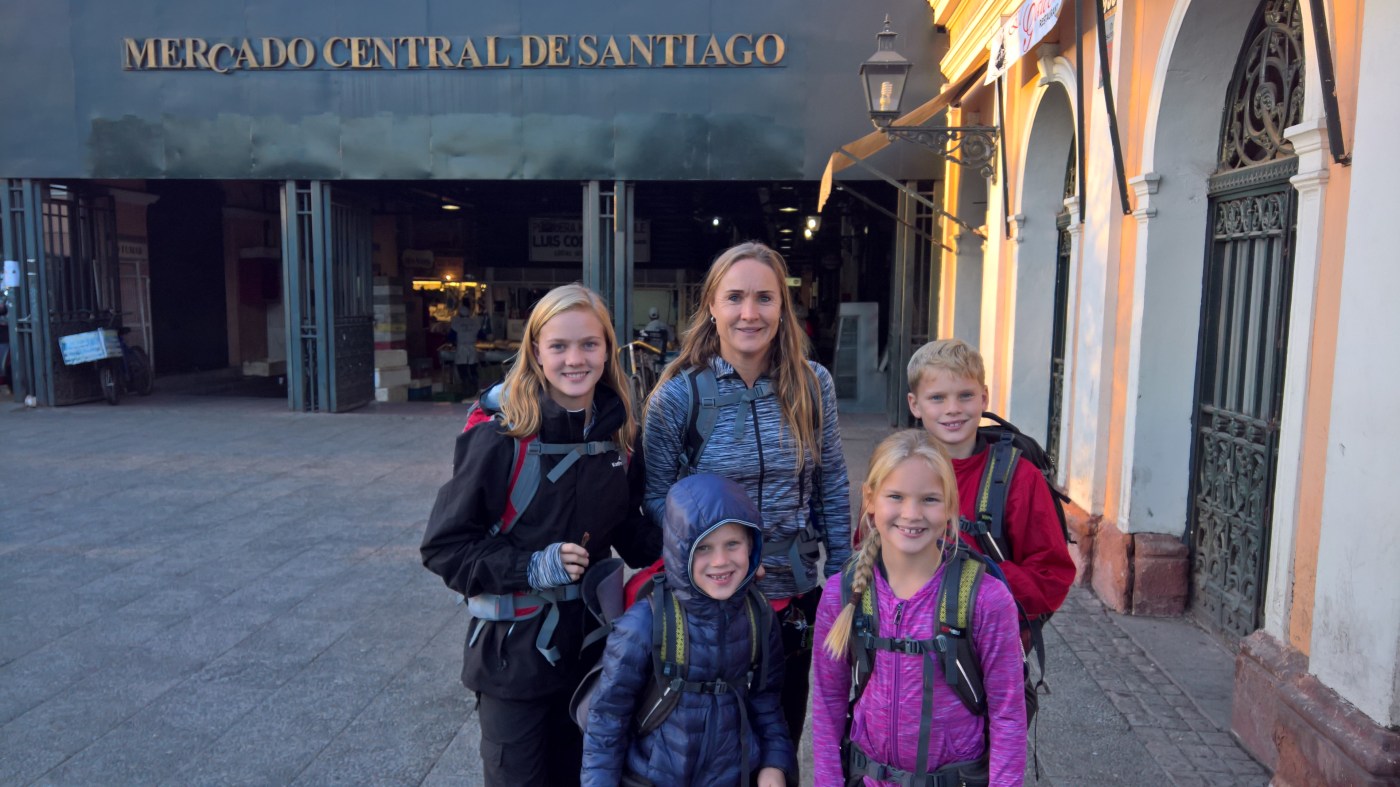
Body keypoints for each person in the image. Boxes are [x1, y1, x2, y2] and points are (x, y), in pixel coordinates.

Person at [421, 283, 661, 787]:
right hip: (513, 662)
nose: (575, 359)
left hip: (592, 658)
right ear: (536, 350)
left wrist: (705, 549)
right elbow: (444, 547)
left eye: (589, 344)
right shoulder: (500, 436)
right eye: (559, 346)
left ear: (608, 349)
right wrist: (530, 567)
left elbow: (629, 531)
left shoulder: (619, 434)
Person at [643, 240, 852, 748]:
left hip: (792, 599)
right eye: (735, 297)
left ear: (783, 307)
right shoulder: (678, 394)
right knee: (715, 752)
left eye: (764, 298)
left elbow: (831, 482)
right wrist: (714, 560)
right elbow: (655, 500)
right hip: (709, 609)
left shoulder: (813, 384)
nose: (749, 313)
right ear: (712, 306)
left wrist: (844, 577)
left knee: (781, 741)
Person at [812, 429, 1027, 787]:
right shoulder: (842, 593)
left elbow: (1008, 714)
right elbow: (827, 702)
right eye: (895, 496)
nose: (911, 514)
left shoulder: (985, 599)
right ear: (870, 499)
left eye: (929, 499)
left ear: (951, 506)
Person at [580, 473, 793, 787]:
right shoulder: (644, 623)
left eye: (732, 544)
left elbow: (767, 702)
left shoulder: (758, 615)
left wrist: (774, 763)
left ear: (752, 544)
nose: (720, 561)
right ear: (679, 552)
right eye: (703, 548)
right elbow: (607, 719)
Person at [905, 338, 1075, 637]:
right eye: (937, 398)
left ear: (984, 398)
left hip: (989, 646)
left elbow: (1051, 578)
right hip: (905, 643)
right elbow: (867, 550)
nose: (953, 409)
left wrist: (972, 579)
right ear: (914, 404)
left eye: (965, 395)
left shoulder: (1019, 478)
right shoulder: (896, 472)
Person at [450, 300, 490, 397]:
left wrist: (454, 343)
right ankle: (474, 390)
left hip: (461, 349)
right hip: (472, 349)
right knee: (473, 370)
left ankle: (465, 389)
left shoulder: (456, 323)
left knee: (462, 369)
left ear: (460, 313)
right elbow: (482, 336)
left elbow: (451, 337)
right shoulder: (474, 323)